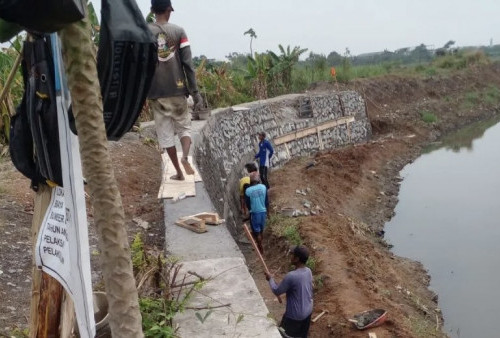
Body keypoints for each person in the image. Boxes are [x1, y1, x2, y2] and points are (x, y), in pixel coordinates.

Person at [147, 0, 203, 180]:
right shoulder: (179, 32)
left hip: (157, 93)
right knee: (184, 128)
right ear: (169, 10)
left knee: (165, 136)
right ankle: (186, 156)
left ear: (152, 10)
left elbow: (140, 64)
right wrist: (195, 92)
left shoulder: (146, 32)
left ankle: (179, 172)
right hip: (178, 90)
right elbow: (188, 64)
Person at [265, 245, 313, 338]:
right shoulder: (308, 271)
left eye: (292, 255)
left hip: (295, 316)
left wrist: (270, 279)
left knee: (284, 334)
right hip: (308, 311)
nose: (290, 257)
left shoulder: (291, 276)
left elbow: (276, 290)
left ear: (297, 259)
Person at [245, 172, 268, 254]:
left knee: (256, 232)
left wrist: (251, 210)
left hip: (254, 213)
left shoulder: (248, 191)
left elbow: (247, 203)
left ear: (250, 181)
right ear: (258, 180)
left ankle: (259, 246)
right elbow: (266, 201)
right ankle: (261, 242)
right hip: (263, 212)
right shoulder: (263, 187)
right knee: (261, 230)